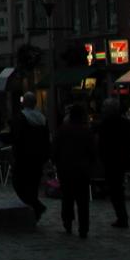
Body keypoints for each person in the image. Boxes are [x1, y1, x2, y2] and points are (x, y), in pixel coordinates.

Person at [53, 102, 96, 238]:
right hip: (82, 170)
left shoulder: (63, 130)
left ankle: (68, 222)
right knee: (83, 201)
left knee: (67, 198)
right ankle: (84, 227)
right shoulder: (86, 131)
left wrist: (56, 163)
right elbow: (93, 151)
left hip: (66, 169)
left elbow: (55, 148)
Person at [95, 97, 130, 228]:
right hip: (122, 159)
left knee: (115, 189)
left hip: (112, 160)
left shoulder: (105, 125)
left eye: (104, 108)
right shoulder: (126, 124)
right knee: (117, 189)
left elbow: (102, 144)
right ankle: (122, 216)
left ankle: (122, 217)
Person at [8, 92, 50, 221]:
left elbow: (16, 137)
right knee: (33, 184)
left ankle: (36, 206)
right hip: (38, 157)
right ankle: (35, 208)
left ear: (24, 102)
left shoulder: (20, 118)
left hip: (24, 157)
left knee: (18, 182)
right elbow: (46, 139)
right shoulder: (42, 119)